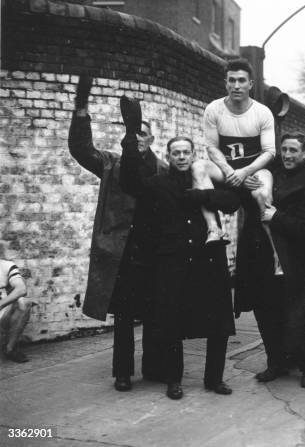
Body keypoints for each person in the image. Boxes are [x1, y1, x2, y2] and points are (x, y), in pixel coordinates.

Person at [120, 107, 241, 399]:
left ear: (193, 153)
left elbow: (233, 201)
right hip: (174, 264)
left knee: (218, 324)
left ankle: (215, 379)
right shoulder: (157, 184)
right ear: (169, 156)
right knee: (172, 325)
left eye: (186, 152)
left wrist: (203, 195)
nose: (182, 157)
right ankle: (174, 380)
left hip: (209, 262)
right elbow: (137, 201)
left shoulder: (206, 178)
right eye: (176, 153)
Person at [68, 77, 167, 391]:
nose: (137, 137)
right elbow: (81, 149)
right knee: (123, 316)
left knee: (153, 313)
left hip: (152, 252)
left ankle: (153, 368)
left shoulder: (163, 171)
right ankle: (123, 373)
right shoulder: (112, 165)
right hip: (122, 252)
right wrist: (81, 109)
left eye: (143, 133)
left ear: (151, 139)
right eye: (134, 131)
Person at [234, 132, 305, 388]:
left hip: (291, 257)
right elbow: (250, 206)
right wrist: (246, 188)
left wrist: (277, 217)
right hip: (261, 254)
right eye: (284, 149)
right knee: (265, 310)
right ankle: (276, 363)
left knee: (294, 312)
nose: (287, 155)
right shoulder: (272, 172)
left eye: (293, 150)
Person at [195, 58, 279, 266]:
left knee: (263, 193)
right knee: (198, 167)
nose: (236, 86)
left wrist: (244, 173)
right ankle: (214, 228)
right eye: (231, 80)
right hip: (227, 170)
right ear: (225, 83)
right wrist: (228, 169)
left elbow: (269, 152)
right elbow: (212, 147)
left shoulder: (262, 112)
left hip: (254, 170)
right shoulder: (214, 109)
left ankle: (277, 253)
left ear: (250, 84)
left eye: (242, 81)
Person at [0, 259, 32, 363]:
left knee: (24, 304)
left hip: (2, 312)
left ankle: (10, 349)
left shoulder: (6, 265)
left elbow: (21, 289)